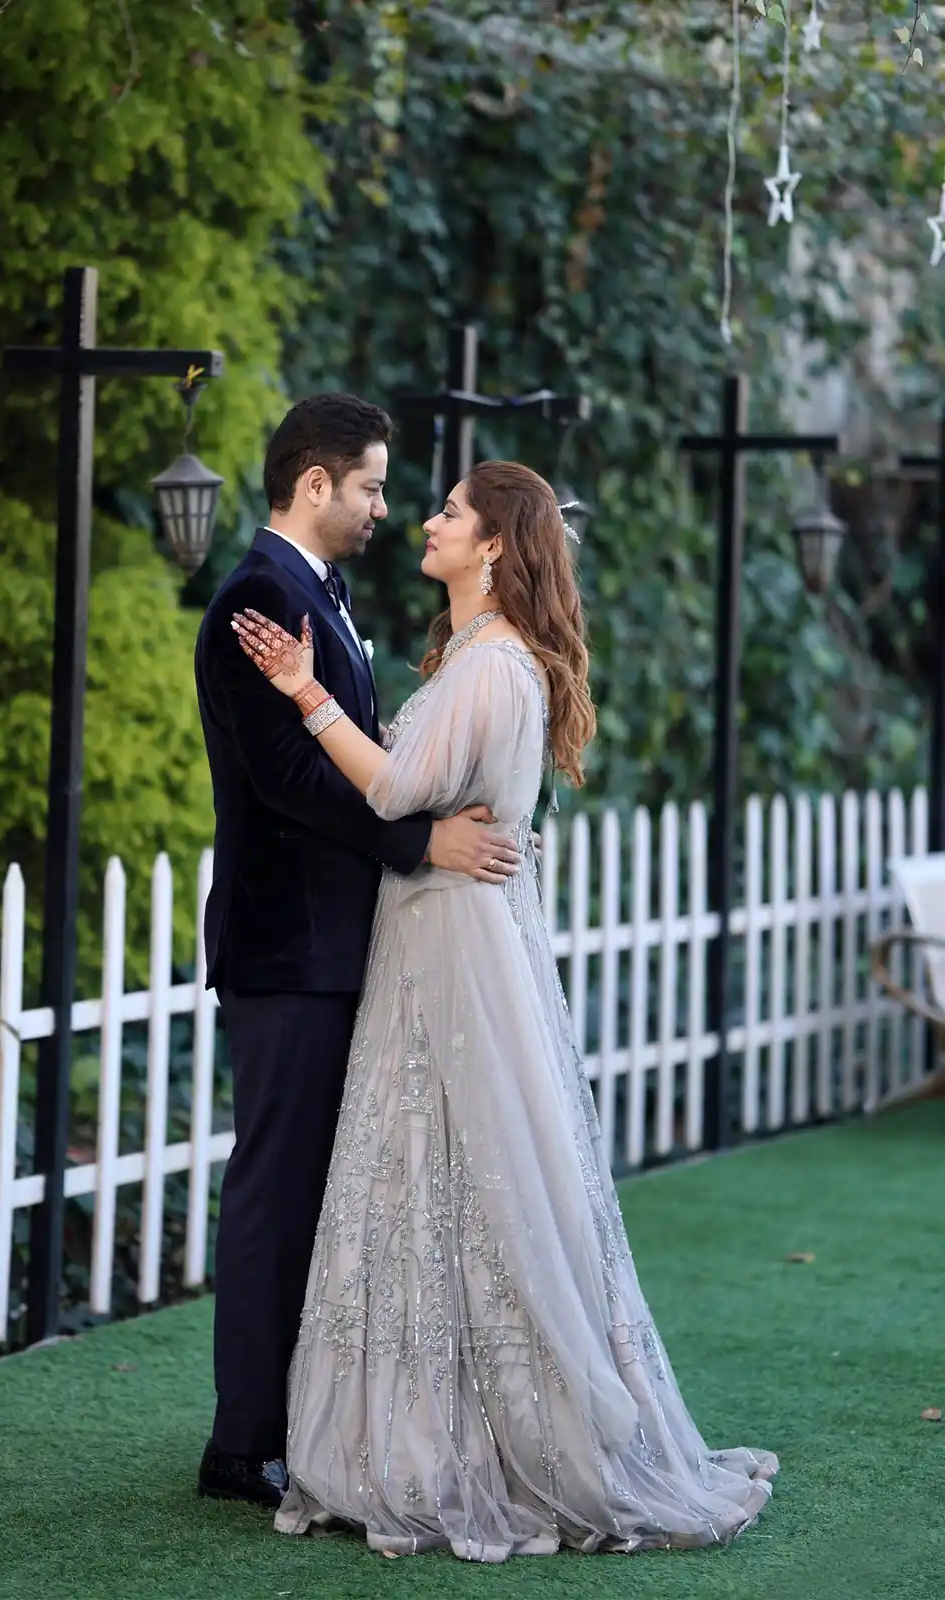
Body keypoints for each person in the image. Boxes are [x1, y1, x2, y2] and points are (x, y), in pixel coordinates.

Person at [229, 460, 779, 1562]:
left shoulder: (488, 665)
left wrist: (303, 689)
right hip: (444, 931)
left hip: (450, 938)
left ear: (491, 546)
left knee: (457, 1166)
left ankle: (469, 1439)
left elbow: (388, 790)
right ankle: (441, 1421)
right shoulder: (488, 659)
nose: (423, 522)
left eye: (446, 512)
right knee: (433, 1169)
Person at [194, 394, 523, 1509]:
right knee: (275, 1193)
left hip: (338, 942)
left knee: (318, 1194)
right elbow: (283, 780)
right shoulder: (256, 594)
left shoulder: (318, 597)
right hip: (288, 944)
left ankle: (303, 1425)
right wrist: (418, 835)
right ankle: (241, 1443)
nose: (386, 506)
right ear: (314, 484)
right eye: (374, 485)